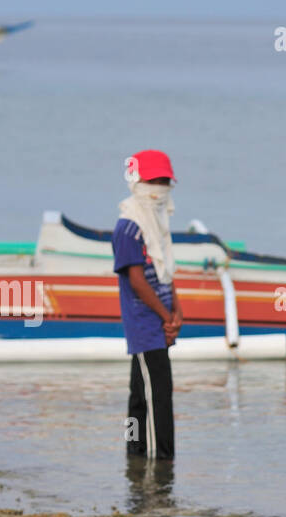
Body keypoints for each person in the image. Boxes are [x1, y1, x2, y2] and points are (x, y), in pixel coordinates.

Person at [113, 149, 183, 459]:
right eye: (155, 181)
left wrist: (177, 313)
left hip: (161, 322)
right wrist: (166, 316)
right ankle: (161, 462)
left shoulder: (159, 225)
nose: (160, 188)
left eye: (165, 182)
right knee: (159, 398)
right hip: (145, 325)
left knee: (139, 397)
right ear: (139, 183)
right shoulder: (129, 228)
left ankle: (133, 452)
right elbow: (137, 281)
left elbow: (166, 272)